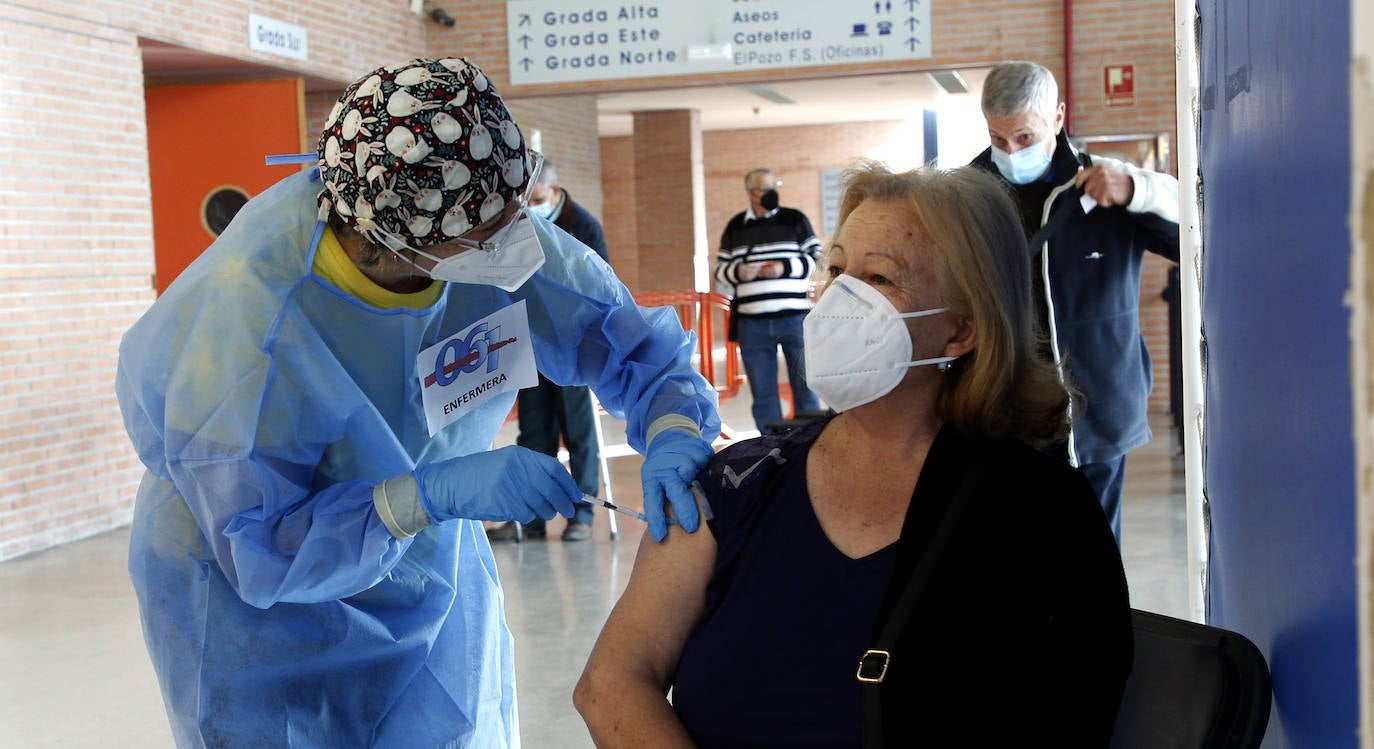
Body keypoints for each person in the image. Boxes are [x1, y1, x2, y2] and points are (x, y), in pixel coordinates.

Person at [115, 57, 720, 748]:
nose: (517, 242)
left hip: (427, 555)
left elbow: (633, 345)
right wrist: (425, 494)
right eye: (489, 233)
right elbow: (262, 545)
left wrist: (673, 425)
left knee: (452, 725)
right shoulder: (247, 320)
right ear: (394, 246)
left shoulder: (479, 217)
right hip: (250, 606)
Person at [575, 164, 1133, 747]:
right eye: (838, 270)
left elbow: (1070, 715)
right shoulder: (743, 482)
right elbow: (611, 681)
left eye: (879, 279)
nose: (839, 299)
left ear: (961, 331)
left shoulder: (1039, 513)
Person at [970, 60, 1180, 541]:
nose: (1010, 151)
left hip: (1097, 408)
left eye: (1024, 137)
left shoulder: (1105, 186)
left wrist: (1138, 189)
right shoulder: (969, 195)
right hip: (1007, 409)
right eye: (998, 139)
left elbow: (1195, 230)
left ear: (1058, 118)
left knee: (1094, 553)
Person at [488, 158, 610, 542]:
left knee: (578, 432)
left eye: (536, 197)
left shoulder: (583, 225)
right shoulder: (516, 223)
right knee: (534, 432)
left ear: (554, 192)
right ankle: (531, 518)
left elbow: (600, 287)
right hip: (528, 342)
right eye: (525, 198)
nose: (530, 204)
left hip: (572, 346)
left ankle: (582, 515)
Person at [713, 168, 824, 433]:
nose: (772, 192)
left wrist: (784, 268)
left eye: (775, 186)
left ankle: (808, 442)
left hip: (794, 318)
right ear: (751, 194)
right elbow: (720, 268)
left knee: (806, 385)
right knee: (763, 393)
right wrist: (738, 272)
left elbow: (818, 257)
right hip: (753, 324)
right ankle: (771, 448)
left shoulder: (795, 220)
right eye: (765, 188)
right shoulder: (736, 226)